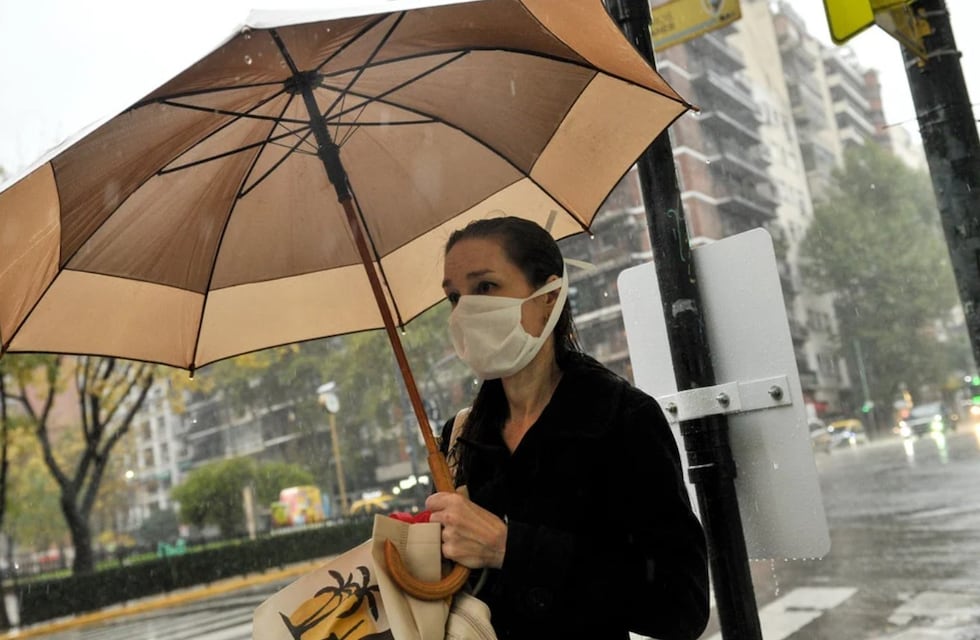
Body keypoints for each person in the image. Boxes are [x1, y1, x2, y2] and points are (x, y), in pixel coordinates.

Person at [427, 216, 710, 640]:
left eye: (485, 287)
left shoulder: (622, 419)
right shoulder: (460, 436)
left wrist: (512, 547)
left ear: (549, 296)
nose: (466, 312)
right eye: (454, 297)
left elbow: (680, 605)